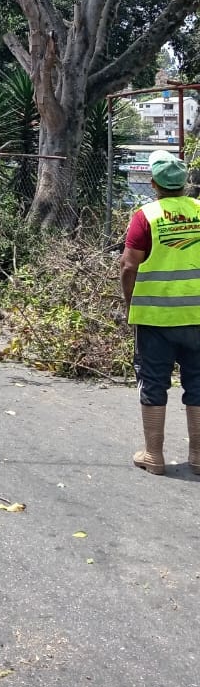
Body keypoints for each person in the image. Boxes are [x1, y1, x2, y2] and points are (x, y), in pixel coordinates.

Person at [120, 148, 200, 476]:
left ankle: (153, 455)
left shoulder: (146, 217)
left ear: (153, 183)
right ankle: (198, 456)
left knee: (154, 383)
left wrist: (130, 304)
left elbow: (129, 265)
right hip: (198, 317)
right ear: (184, 182)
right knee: (198, 383)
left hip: (156, 318)